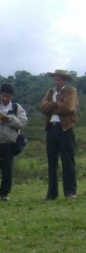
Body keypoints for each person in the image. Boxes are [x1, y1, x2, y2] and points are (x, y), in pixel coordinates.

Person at [40, 69, 78, 200]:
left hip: (65, 129)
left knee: (67, 161)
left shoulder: (70, 91)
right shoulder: (50, 92)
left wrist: (52, 107)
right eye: (55, 79)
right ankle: (52, 193)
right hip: (51, 128)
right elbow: (43, 108)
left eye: (59, 79)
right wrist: (55, 104)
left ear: (64, 80)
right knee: (52, 161)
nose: (56, 81)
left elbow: (68, 108)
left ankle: (70, 192)